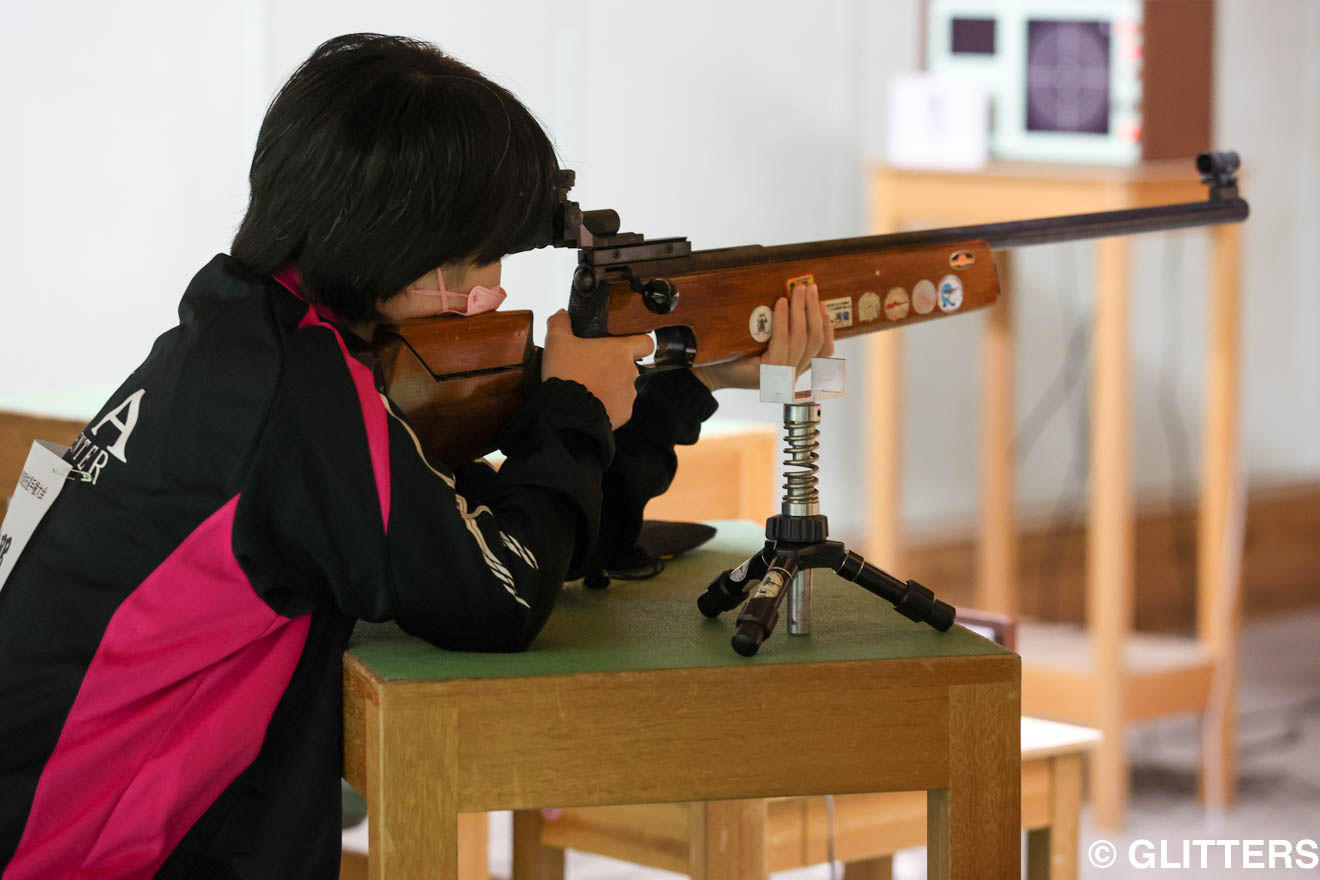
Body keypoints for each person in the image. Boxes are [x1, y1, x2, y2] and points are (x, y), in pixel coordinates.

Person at [0, 33, 833, 878]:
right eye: (484, 256)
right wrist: (575, 405)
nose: (494, 288)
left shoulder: (246, 339)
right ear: (407, 247)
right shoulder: (300, 396)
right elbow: (501, 595)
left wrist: (684, 387)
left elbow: (529, 533)